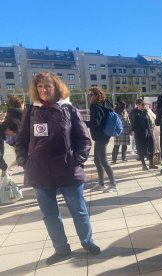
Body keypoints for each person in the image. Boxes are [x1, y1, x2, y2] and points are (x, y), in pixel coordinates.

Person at [15, 72, 100, 265]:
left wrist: (76, 160)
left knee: (79, 211)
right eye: (40, 87)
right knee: (50, 215)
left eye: (48, 86)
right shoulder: (31, 111)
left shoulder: (69, 110)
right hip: (40, 172)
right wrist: (24, 161)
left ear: (56, 87)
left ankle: (87, 242)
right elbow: (20, 141)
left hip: (68, 170)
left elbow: (84, 140)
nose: (43, 90)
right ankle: (61, 249)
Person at [85, 87, 117, 193]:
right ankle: (101, 184)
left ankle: (113, 184)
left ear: (96, 96)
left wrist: (82, 123)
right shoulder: (105, 104)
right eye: (89, 95)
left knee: (103, 161)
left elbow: (96, 123)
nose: (89, 97)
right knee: (97, 161)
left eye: (91, 95)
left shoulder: (96, 107)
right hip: (104, 135)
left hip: (100, 137)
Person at [131, 99, 158, 171]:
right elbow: (140, 124)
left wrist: (151, 130)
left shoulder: (145, 112)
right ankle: (144, 165)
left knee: (151, 148)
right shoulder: (134, 113)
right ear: (137, 104)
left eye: (144, 104)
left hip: (148, 133)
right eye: (142, 104)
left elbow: (149, 122)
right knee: (141, 150)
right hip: (140, 135)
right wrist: (144, 114)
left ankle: (151, 164)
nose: (144, 106)